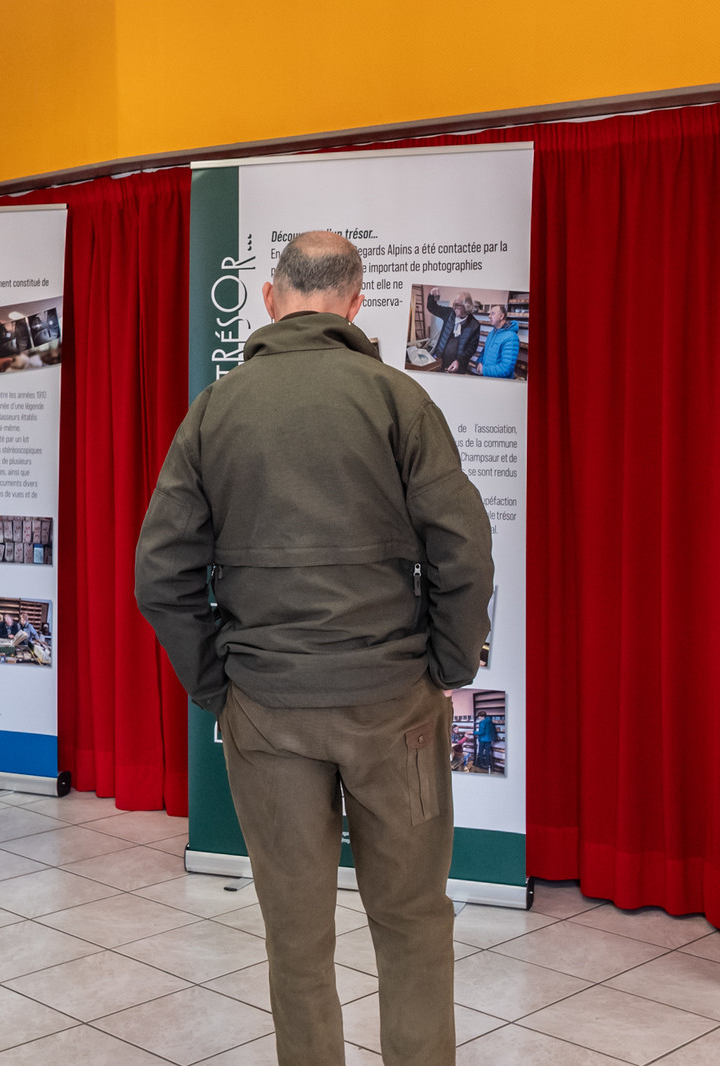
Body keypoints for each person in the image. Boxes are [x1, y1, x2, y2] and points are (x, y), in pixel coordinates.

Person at [136, 231, 494, 1066]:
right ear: (356, 303)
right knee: (412, 922)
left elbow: (161, 573)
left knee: (295, 937)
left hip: (267, 709)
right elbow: (463, 551)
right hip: (392, 705)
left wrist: (216, 684)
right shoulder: (398, 398)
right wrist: (446, 664)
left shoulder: (214, 410)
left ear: (271, 298)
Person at [425, 287, 480, 373]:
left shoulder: (474, 325)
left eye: (457, 305)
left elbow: (471, 348)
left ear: (467, 307)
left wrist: (459, 361)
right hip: (440, 359)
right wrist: (431, 296)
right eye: (454, 304)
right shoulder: (449, 313)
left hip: (458, 365)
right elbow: (432, 307)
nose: (454, 308)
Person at [471, 303, 520, 378]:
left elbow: (506, 369)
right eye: (489, 314)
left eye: (492, 314)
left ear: (501, 316)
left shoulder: (511, 337)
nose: (489, 316)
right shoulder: (492, 333)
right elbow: (484, 352)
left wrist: (484, 370)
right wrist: (479, 363)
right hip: (487, 377)